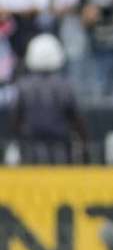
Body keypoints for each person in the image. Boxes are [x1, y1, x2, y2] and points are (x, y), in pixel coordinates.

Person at [10, 33, 88, 164]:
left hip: (30, 149)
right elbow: (77, 119)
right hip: (60, 150)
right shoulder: (65, 85)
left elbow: (15, 121)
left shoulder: (23, 86)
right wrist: (84, 144)